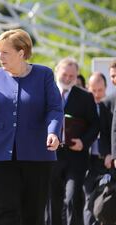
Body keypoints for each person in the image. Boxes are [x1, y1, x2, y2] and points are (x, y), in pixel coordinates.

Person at [0, 29, 63, 225]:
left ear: (21, 53)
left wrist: (53, 132)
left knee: (34, 213)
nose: (0, 57)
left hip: (37, 154)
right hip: (0, 155)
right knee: (6, 211)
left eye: (5, 52)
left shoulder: (44, 74)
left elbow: (55, 108)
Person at [49, 57, 99, 225]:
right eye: (65, 74)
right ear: (57, 71)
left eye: (72, 75)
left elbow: (95, 125)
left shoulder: (85, 97)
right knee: (52, 202)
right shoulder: (46, 93)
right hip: (51, 156)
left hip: (76, 158)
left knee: (72, 198)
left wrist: (83, 142)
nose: (68, 78)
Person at [83, 72, 113, 225]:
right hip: (90, 162)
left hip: (107, 161)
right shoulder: (83, 108)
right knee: (89, 202)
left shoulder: (109, 107)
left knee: (106, 203)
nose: (96, 94)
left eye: (100, 90)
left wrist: (110, 154)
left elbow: (110, 133)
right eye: (93, 90)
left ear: (106, 89)